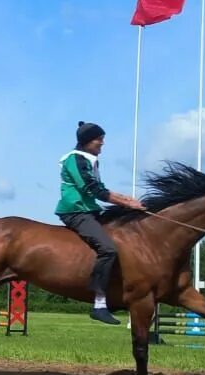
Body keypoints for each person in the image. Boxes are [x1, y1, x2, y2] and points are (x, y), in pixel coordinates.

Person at [57, 121, 144, 324]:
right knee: (108, 249)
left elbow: (100, 187)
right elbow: (92, 190)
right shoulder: (75, 160)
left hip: (90, 210)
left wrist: (129, 201)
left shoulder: (91, 159)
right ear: (87, 141)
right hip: (75, 211)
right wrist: (127, 202)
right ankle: (99, 304)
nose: (102, 143)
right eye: (99, 139)